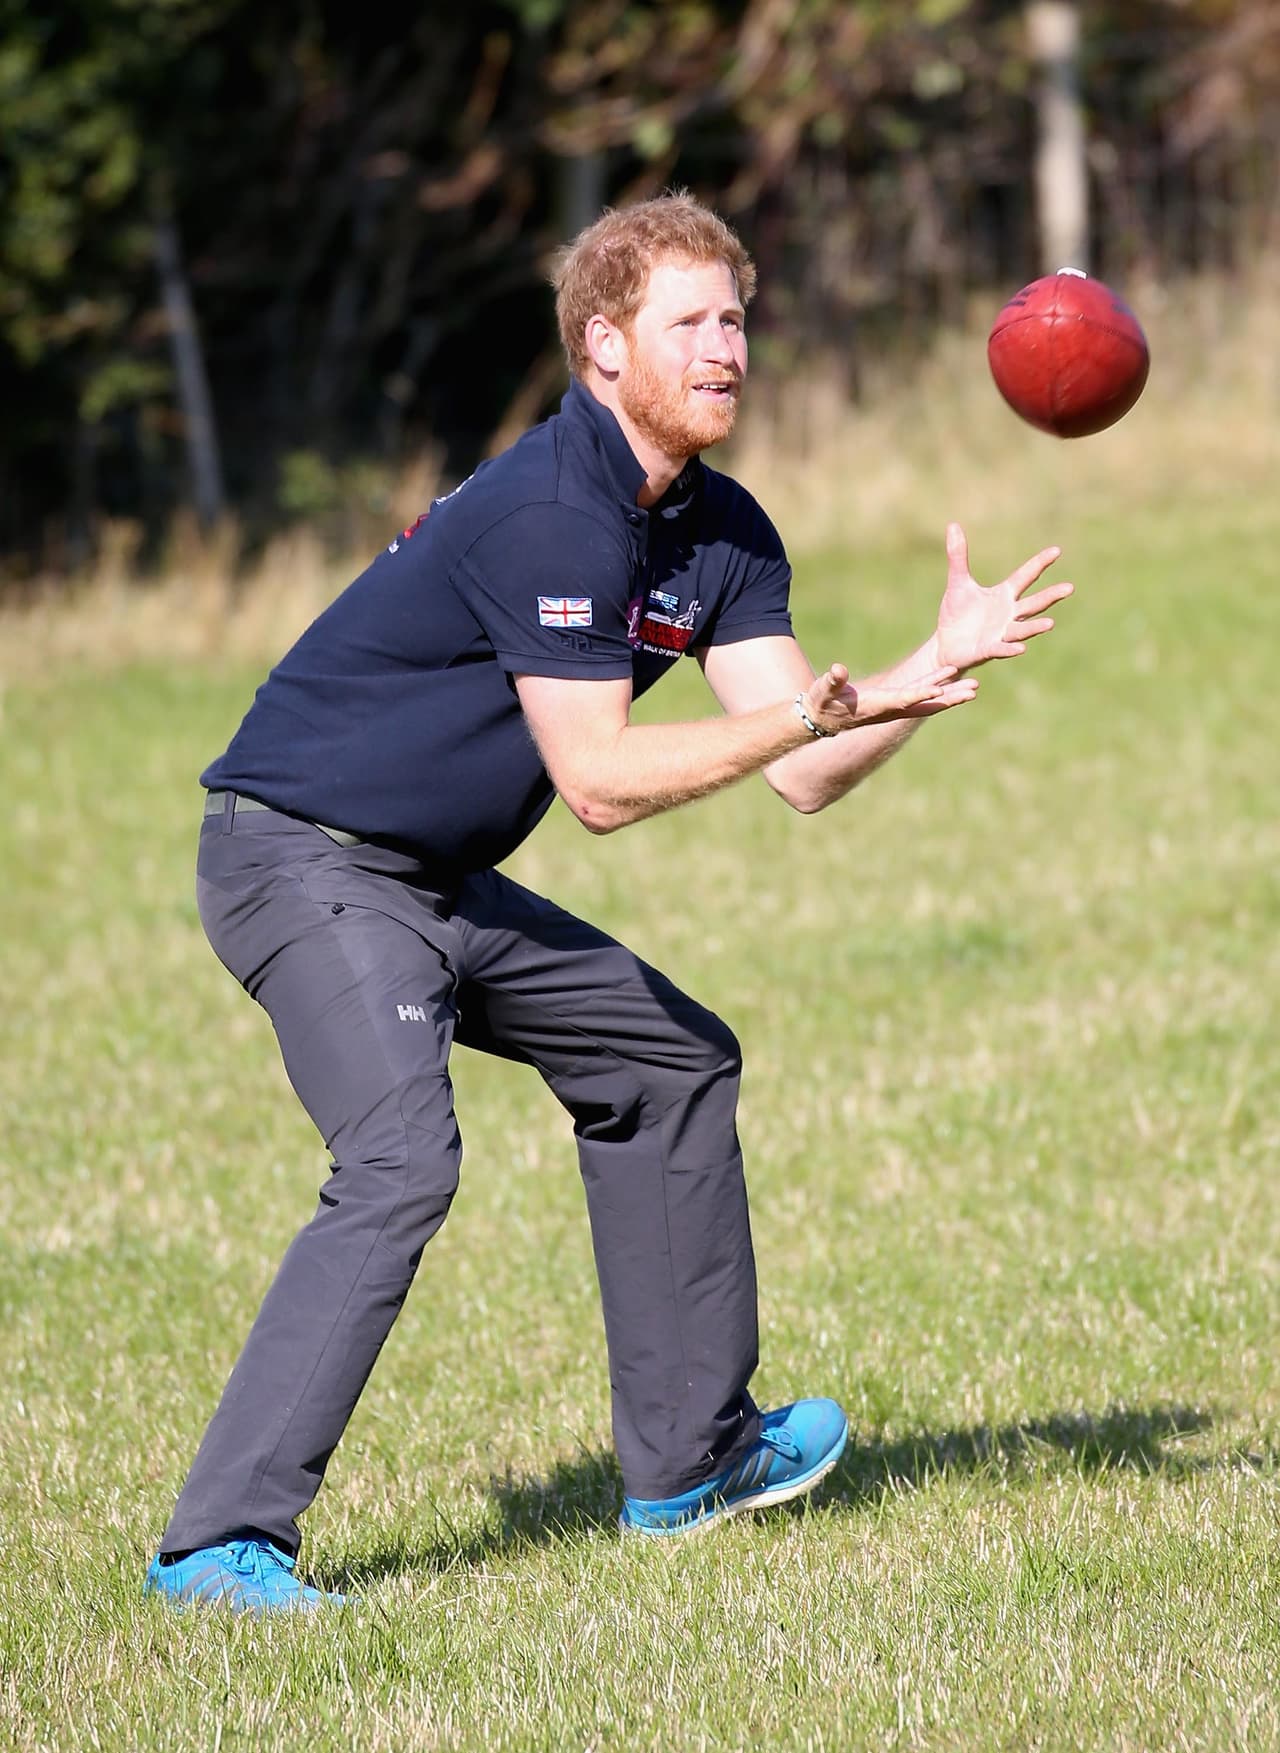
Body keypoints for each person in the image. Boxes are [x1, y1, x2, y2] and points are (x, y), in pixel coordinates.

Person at [144, 192, 1072, 1614]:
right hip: (298, 854)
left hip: (433, 876)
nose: (729, 350)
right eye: (692, 323)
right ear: (602, 348)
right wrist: (823, 714)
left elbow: (804, 769)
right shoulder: (552, 507)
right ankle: (217, 1545)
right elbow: (598, 780)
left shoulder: (720, 530)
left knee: (670, 1054)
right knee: (400, 1159)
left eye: (739, 320)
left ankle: (688, 1463)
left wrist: (926, 675)